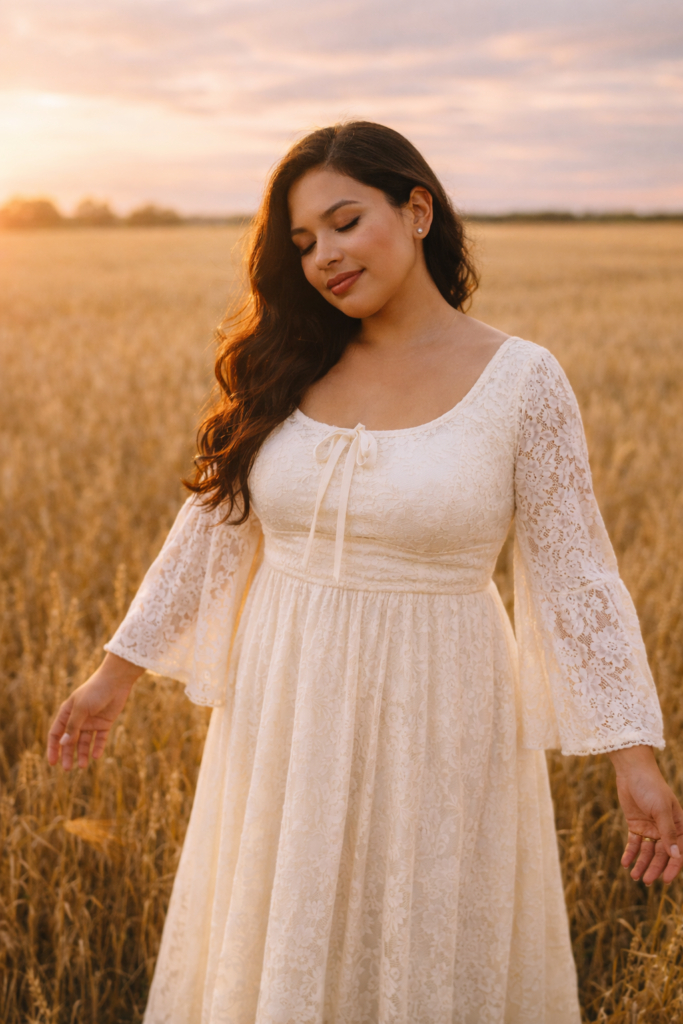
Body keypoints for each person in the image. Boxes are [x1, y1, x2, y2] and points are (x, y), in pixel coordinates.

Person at [47, 122, 682, 1024]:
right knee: (282, 938)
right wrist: (117, 673)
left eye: (344, 223)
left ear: (416, 209)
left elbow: (577, 573)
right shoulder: (289, 365)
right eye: (302, 243)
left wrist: (634, 759)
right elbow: (214, 523)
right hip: (284, 704)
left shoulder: (522, 380)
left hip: (444, 709)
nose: (323, 258)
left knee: (422, 943)